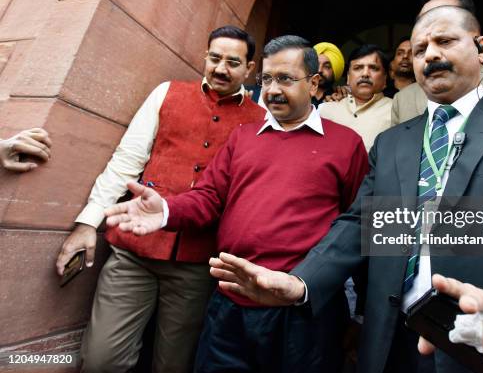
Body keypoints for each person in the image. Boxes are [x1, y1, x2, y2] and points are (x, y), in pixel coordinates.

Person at [203, 6, 483, 373]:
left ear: (482, 48)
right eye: (419, 50)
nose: (430, 54)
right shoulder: (393, 143)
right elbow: (359, 222)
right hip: (392, 342)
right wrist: (301, 283)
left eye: (445, 41)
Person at [104, 35, 369, 373]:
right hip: (229, 305)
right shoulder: (243, 137)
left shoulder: (346, 144)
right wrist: (168, 210)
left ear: (314, 84)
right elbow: (210, 197)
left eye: (286, 79)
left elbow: (359, 226)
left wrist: (363, 311)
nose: (272, 90)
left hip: (303, 313)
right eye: (268, 79)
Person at [55, 25, 265, 373]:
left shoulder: (260, 121)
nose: (221, 69)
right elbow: (126, 161)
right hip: (133, 254)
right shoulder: (167, 93)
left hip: (198, 267)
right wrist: (87, 223)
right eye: (214, 58)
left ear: (249, 69)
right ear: (205, 57)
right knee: (100, 361)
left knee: (175, 365)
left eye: (232, 62)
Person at [318, 44, 392, 151]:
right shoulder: (325, 110)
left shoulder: (395, 111)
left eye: (374, 68)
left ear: (385, 79)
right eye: (358, 68)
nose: (365, 74)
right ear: (348, 77)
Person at [313, 41, 345, 106]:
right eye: (316, 64)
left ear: (335, 71)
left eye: (327, 66)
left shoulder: (341, 98)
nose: (319, 70)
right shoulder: (298, 94)